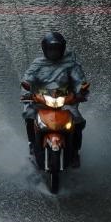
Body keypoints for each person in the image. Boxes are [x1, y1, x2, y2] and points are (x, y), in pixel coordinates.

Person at [21, 32, 88, 165]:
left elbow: (79, 80)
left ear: (62, 49)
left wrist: (81, 91)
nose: (54, 52)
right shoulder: (38, 63)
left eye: (57, 49)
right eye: (51, 49)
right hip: (41, 99)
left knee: (77, 120)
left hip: (65, 100)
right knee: (29, 114)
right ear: (45, 49)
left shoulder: (70, 63)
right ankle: (32, 145)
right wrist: (26, 91)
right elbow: (27, 79)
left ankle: (75, 152)